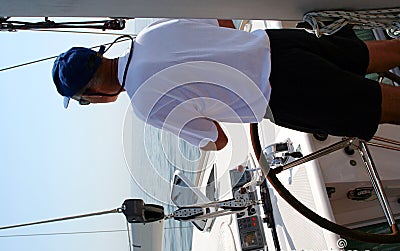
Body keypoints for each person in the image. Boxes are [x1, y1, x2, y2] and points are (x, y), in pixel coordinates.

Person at [52, 19, 400, 151]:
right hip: (278, 44)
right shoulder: (150, 33)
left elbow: (215, 141)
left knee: (390, 107)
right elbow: (223, 21)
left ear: (93, 94)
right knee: (377, 53)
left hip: (286, 93)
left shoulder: (146, 104)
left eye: (84, 100)